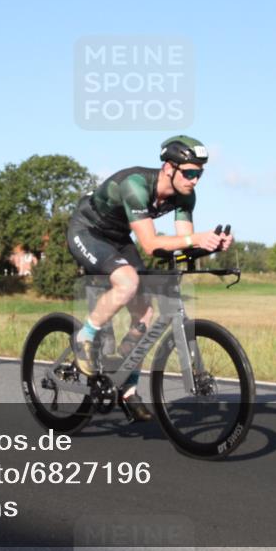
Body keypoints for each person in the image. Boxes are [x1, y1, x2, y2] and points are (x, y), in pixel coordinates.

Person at [65, 135, 233, 421]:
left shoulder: (186, 195)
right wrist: (195, 238)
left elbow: (183, 241)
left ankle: (126, 388)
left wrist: (211, 244)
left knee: (145, 313)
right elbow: (151, 244)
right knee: (128, 281)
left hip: (118, 237)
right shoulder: (136, 186)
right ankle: (85, 336)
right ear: (169, 168)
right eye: (190, 173)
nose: (194, 180)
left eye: (199, 174)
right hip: (88, 231)